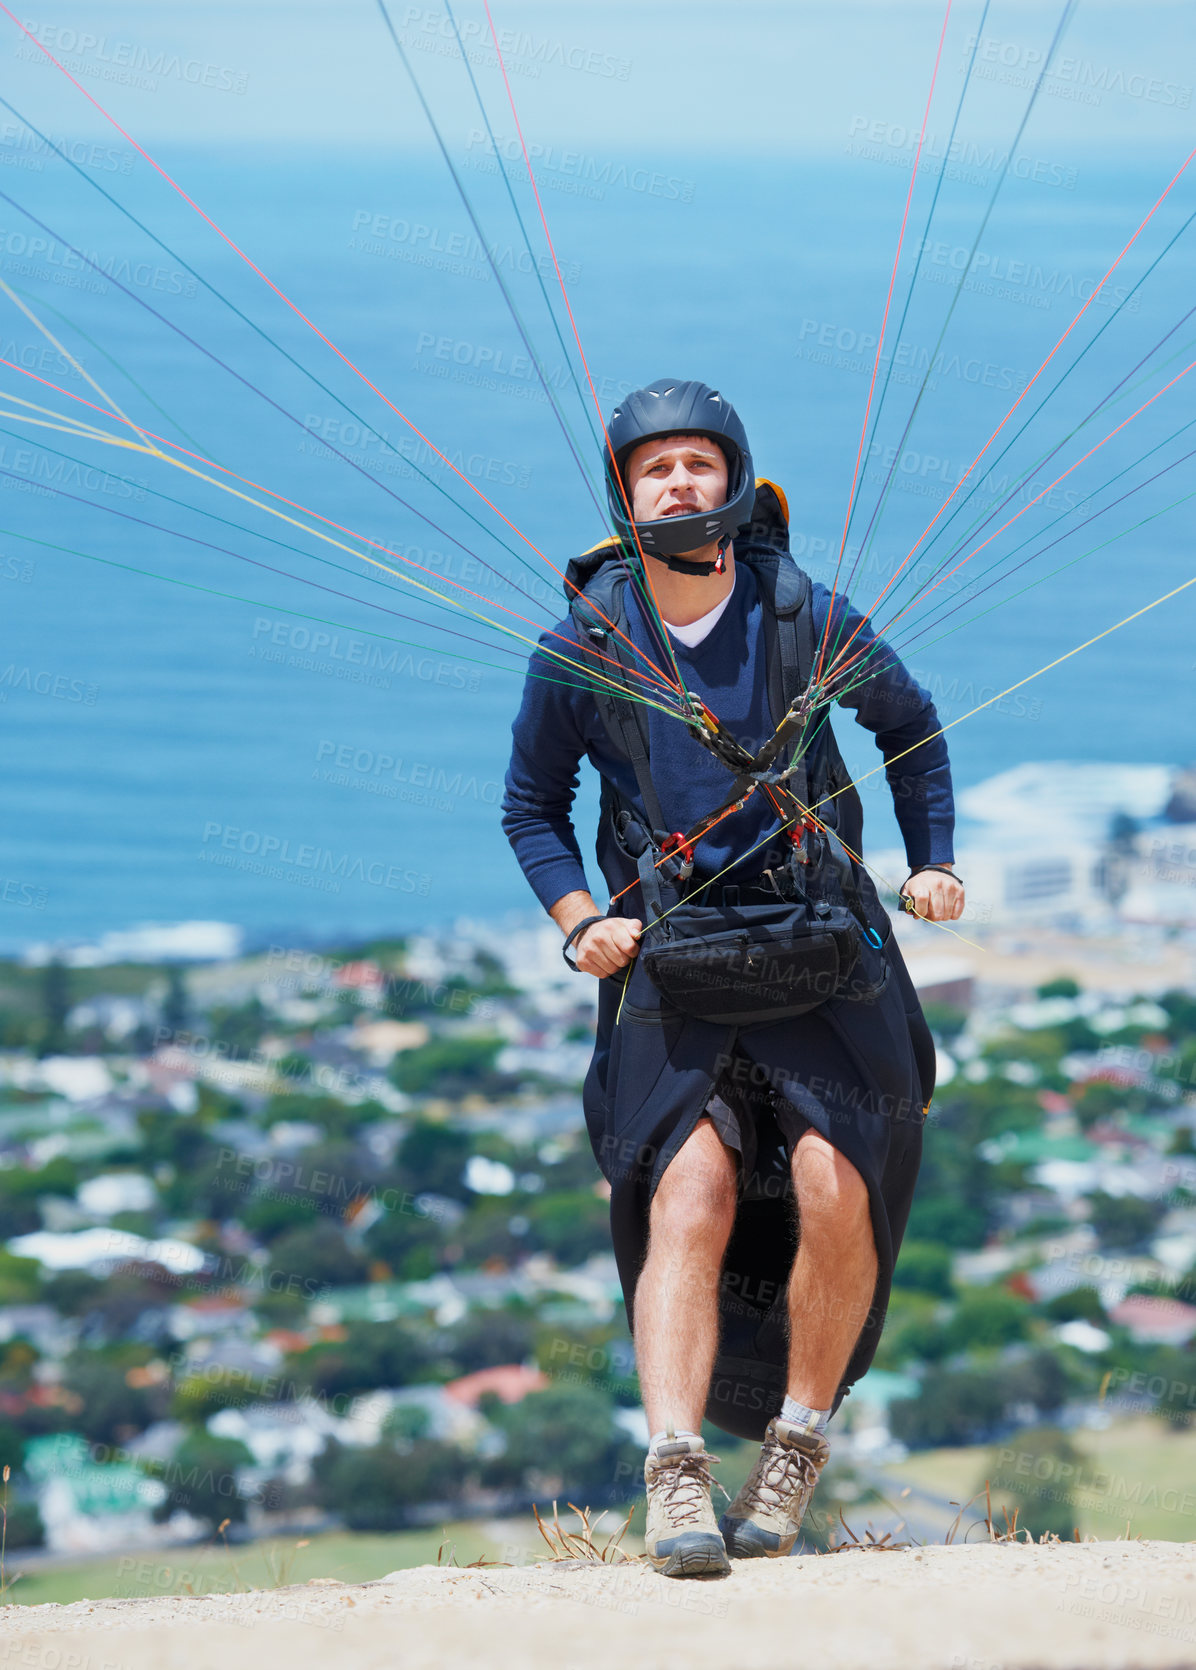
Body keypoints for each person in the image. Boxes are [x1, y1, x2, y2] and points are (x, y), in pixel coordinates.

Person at [502, 378, 964, 1578]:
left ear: (735, 480)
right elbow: (529, 808)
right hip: (676, 957)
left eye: (698, 463)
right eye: (653, 468)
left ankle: (793, 1450)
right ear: (622, 495)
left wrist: (932, 865)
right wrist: (575, 921)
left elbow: (908, 727)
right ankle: (672, 1475)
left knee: (834, 1179)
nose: (677, 482)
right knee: (689, 1191)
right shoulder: (584, 643)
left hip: (820, 939)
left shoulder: (804, 614)